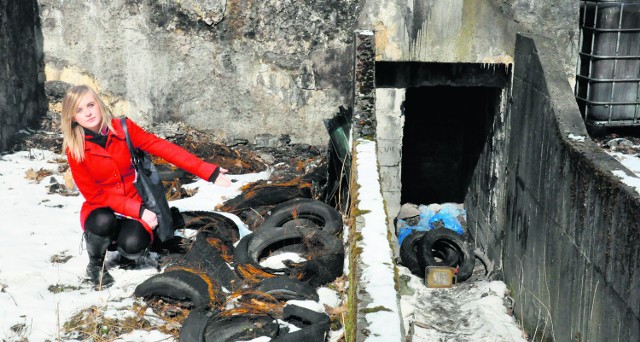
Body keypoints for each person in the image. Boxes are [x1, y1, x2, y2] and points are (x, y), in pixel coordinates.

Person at [60, 84, 232, 289]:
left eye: (90, 105)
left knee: (134, 245)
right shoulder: (75, 149)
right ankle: (96, 265)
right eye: (79, 110)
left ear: (99, 104)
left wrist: (207, 171)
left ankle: (125, 253)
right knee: (102, 220)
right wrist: (140, 211)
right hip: (103, 208)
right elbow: (94, 195)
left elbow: (163, 148)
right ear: (72, 118)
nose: (87, 113)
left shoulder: (124, 129)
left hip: (133, 208)